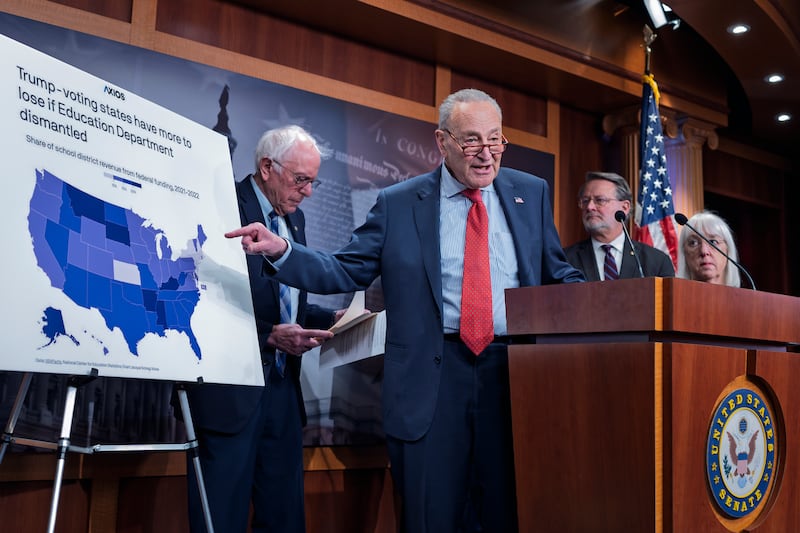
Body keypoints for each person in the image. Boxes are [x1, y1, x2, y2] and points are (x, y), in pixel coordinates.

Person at [226, 88, 584, 533]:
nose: (487, 153)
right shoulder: (399, 202)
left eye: (495, 140)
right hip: (431, 384)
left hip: (511, 378)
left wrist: (610, 304)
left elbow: (558, 274)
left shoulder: (529, 193)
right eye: (472, 140)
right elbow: (345, 268)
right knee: (429, 516)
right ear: (443, 142)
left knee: (505, 514)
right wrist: (283, 250)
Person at [184, 125, 339, 533]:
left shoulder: (295, 220)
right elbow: (197, 297)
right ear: (267, 167)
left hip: (283, 391)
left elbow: (285, 298)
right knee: (220, 517)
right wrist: (268, 334)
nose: (307, 191)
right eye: (301, 179)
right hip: (229, 394)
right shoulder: (221, 206)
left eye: (312, 181)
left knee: (284, 517)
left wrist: (329, 319)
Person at [564, 171, 675, 279]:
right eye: (585, 201)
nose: (589, 207)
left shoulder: (656, 261)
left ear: (625, 207)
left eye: (600, 200)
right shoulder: (565, 260)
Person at [677, 210, 741, 286]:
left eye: (713, 242)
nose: (704, 251)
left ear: (728, 250)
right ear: (684, 253)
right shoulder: (673, 297)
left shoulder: (746, 298)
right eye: (693, 243)